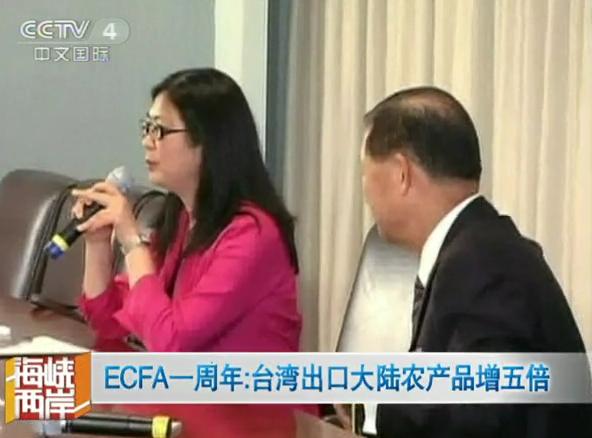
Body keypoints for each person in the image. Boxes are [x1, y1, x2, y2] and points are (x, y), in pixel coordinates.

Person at [357, 86, 592, 437]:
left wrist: (373, 400)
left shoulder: (482, 265)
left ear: (401, 173)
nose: (364, 188)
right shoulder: (478, 247)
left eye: (365, 170)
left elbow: (477, 418)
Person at [72, 68, 302, 353]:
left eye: (159, 130)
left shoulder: (251, 235)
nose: (147, 141)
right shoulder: (182, 219)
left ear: (208, 139)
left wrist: (131, 241)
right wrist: (97, 243)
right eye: (147, 127)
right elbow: (109, 322)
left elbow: (172, 340)